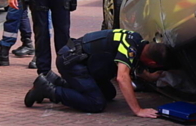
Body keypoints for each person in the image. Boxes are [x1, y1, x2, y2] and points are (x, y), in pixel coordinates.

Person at [24, 29, 169, 117]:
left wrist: (151, 77)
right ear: (152, 63)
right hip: (73, 62)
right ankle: (49, 90)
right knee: (96, 103)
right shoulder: (131, 47)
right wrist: (138, 110)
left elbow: (136, 67)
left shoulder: (137, 40)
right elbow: (122, 77)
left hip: (80, 60)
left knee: (109, 94)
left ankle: (55, 80)